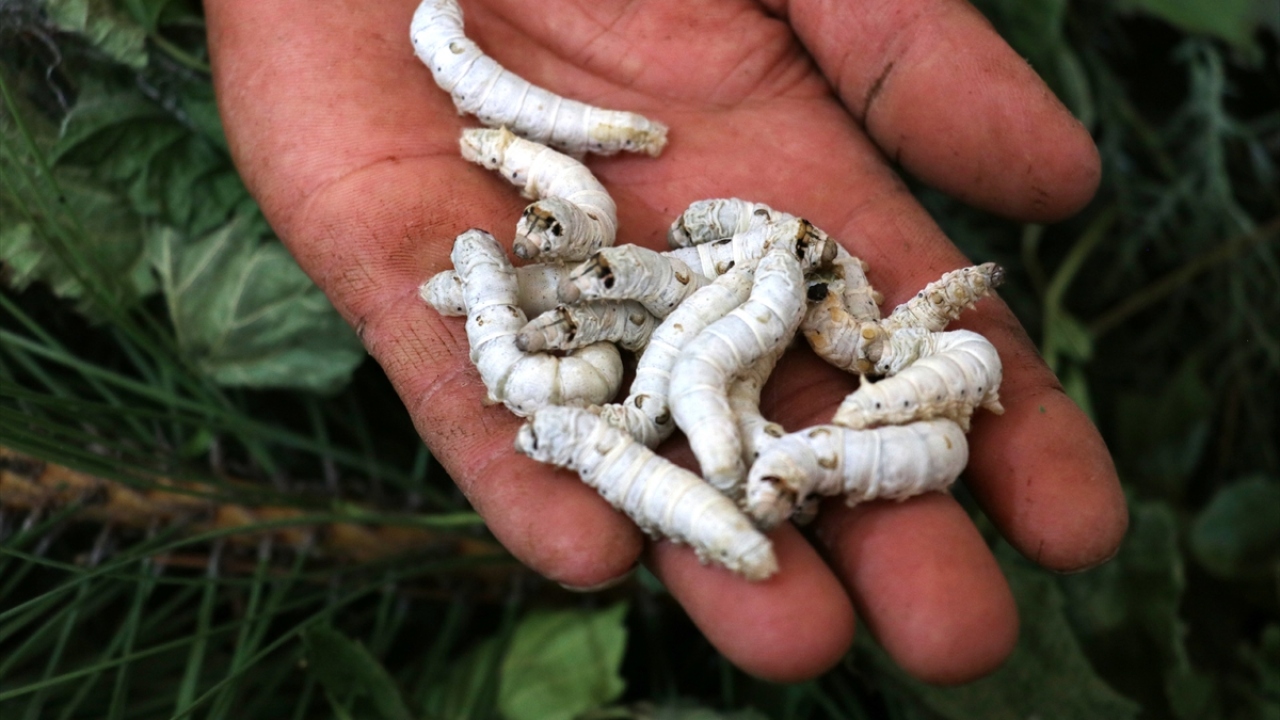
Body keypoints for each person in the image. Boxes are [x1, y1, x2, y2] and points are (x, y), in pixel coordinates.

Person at [204, 0, 1128, 685]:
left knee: (711, 379)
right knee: (696, 386)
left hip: (728, 309)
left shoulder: (760, 285)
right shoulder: (614, 293)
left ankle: (765, 432)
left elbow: (749, 329)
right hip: (684, 328)